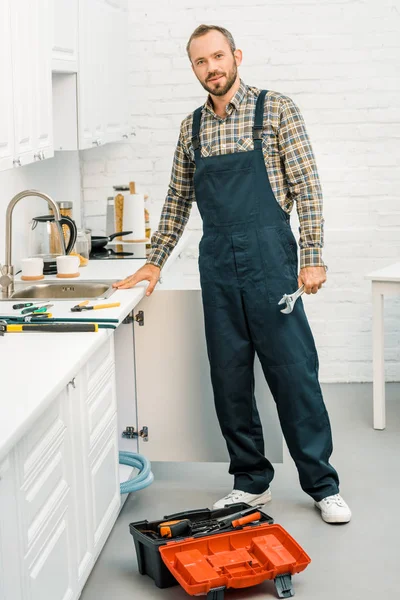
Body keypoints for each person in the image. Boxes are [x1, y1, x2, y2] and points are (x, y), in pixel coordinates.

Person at [113, 24, 351, 524]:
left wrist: (313, 255)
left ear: (236, 55)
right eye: (201, 62)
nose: (211, 68)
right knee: (229, 378)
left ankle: (322, 484)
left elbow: (307, 188)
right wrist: (154, 262)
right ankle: (250, 481)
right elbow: (178, 200)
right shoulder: (191, 128)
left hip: (272, 261)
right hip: (219, 264)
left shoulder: (277, 110)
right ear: (194, 69)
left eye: (218, 57)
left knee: (293, 374)